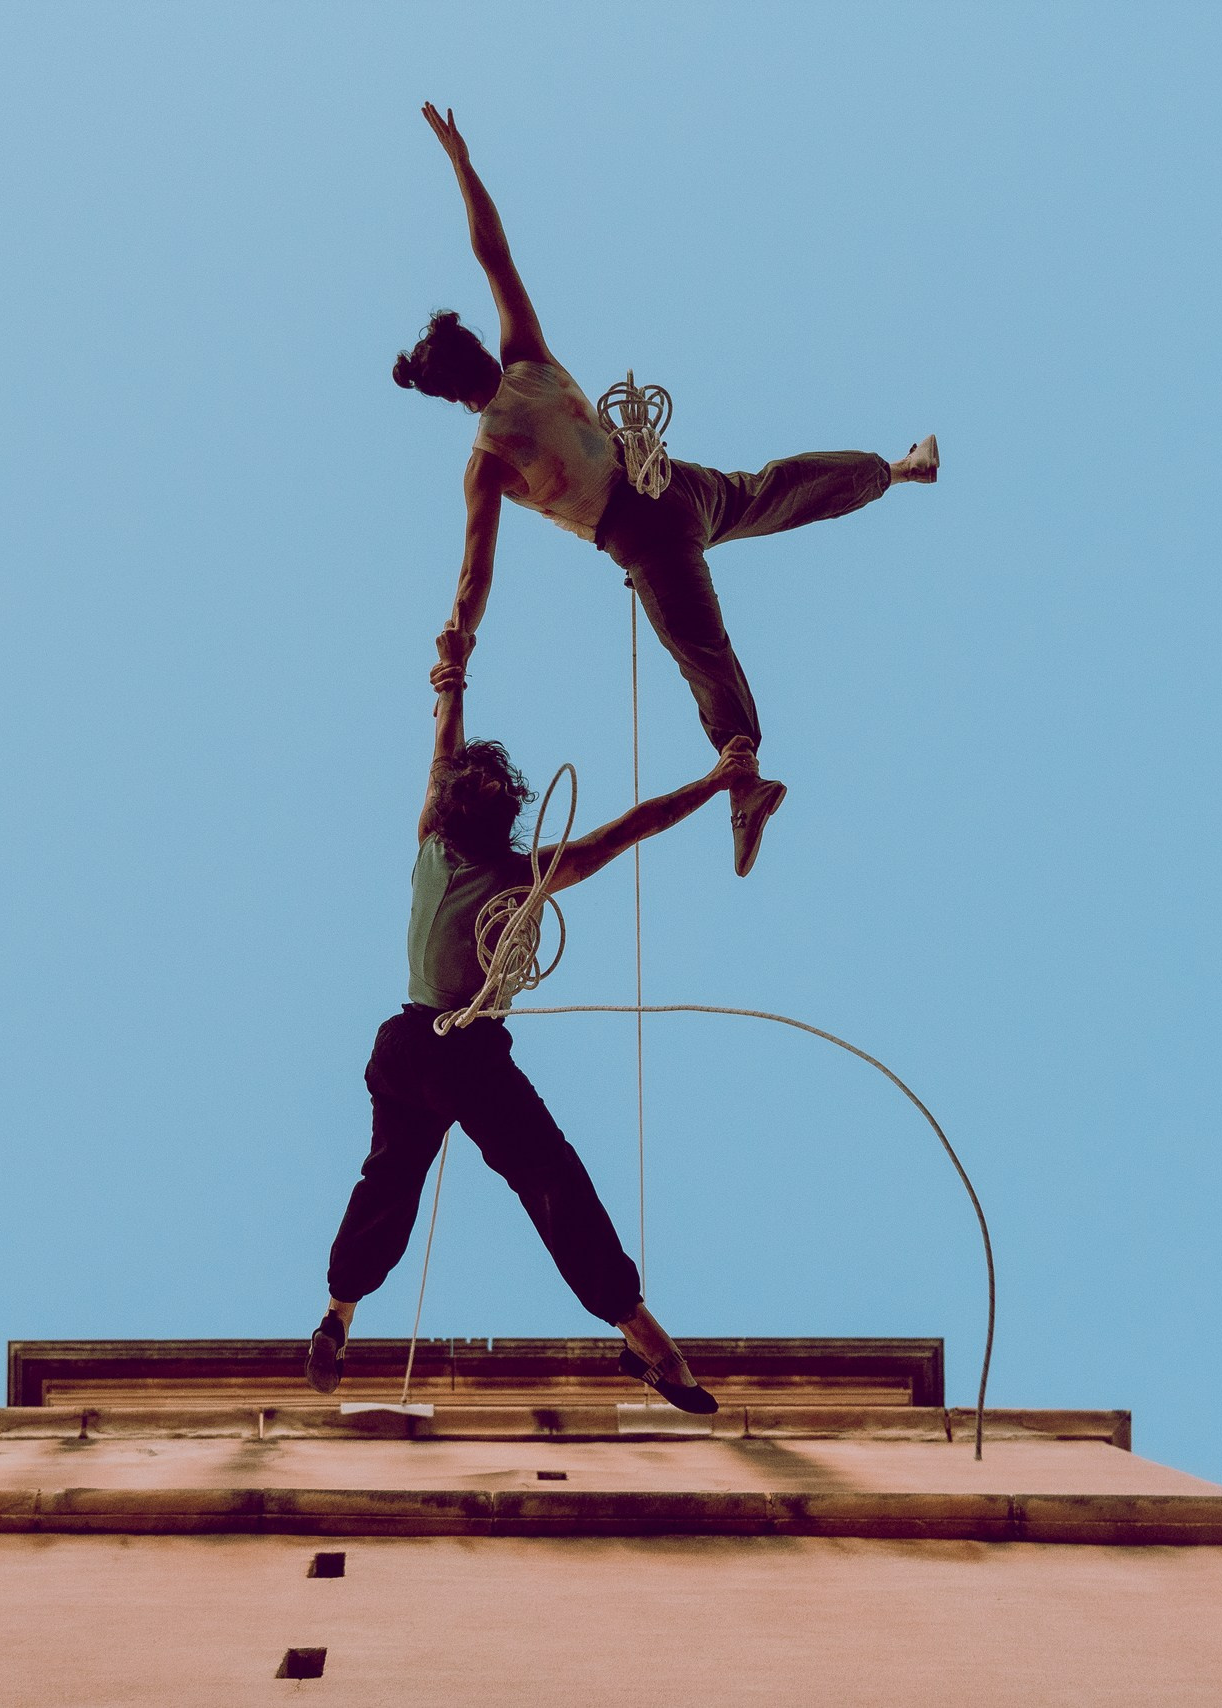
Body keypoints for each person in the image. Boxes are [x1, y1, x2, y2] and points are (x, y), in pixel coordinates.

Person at [397, 103, 940, 878]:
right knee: (774, 490)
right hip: (673, 486)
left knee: (701, 649)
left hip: (642, 531)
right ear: (478, 350)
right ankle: (898, 467)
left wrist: (457, 647)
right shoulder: (528, 359)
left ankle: (743, 780)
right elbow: (495, 255)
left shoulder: (487, 459)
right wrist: (461, 163)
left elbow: (474, 575)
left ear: (452, 398)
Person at [306, 634, 751, 1412]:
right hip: (464, 1050)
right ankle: (645, 1336)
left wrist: (454, 683)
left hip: (402, 1045)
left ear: (448, 809)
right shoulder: (524, 872)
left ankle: (339, 1310)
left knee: (389, 1176)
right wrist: (714, 783)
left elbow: (441, 753)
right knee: (549, 1176)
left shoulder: (430, 846)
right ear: (508, 817)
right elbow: (628, 830)